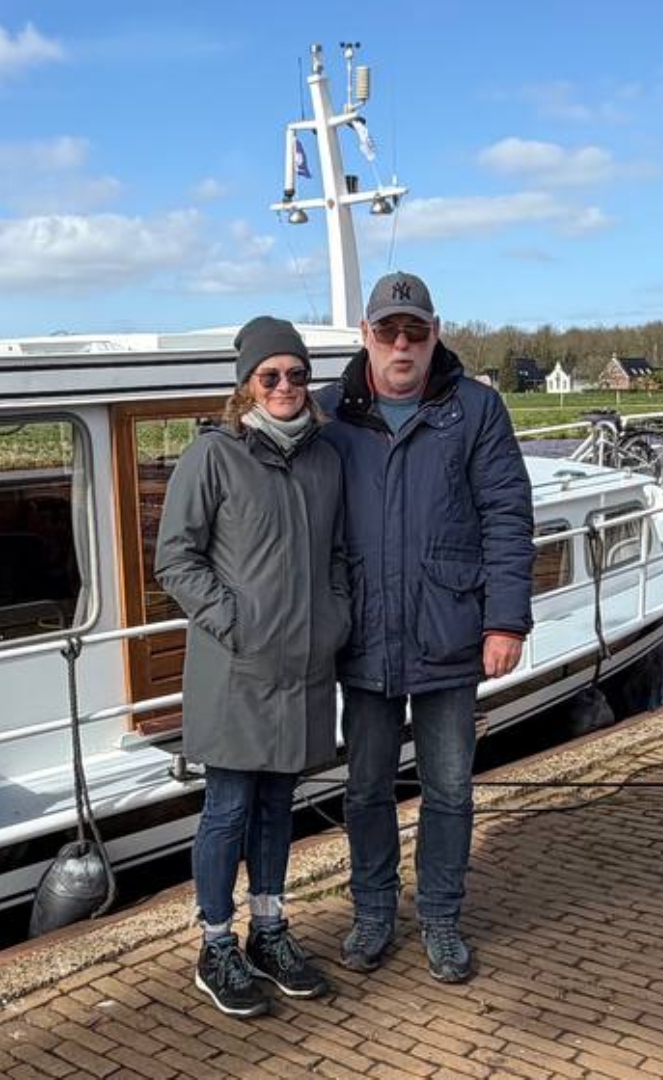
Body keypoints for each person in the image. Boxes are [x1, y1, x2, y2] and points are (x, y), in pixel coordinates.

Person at [312, 271, 534, 984]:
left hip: (449, 629)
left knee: (449, 788)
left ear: (435, 333)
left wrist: (505, 620)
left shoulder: (475, 410)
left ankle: (440, 917)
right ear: (365, 337)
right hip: (364, 636)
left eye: (415, 330)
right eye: (387, 331)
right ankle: (373, 912)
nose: (401, 344)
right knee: (367, 788)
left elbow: (507, 515)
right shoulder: (326, 415)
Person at [155, 315, 351, 1018]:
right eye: (271, 375)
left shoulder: (325, 458)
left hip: (303, 665)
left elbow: (335, 555)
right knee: (228, 808)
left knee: (277, 805)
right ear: (247, 385)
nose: (286, 386)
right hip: (236, 669)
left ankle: (270, 930)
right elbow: (175, 558)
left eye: (297, 374)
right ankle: (216, 944)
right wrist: (234, 621)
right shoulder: (213, 457)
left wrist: (334, 617)